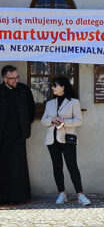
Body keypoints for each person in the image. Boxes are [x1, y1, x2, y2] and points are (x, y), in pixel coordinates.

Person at [41, 76, 91, 206]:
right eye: (52, 86)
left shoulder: (74, 102)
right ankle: (61, 193)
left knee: (72, 166)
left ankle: (80, 194)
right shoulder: (49, 103)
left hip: (67, 138)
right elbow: (43, 120)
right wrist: (52, 120)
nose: (52, 88)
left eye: (55, 85)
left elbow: (79, 120)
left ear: (63, 87)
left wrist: (64, 122)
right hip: (52, 139)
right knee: (57, 166)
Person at [0, 65, 35, 204]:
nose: (15, 80)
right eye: (12, 78)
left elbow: (31, 111)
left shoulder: (24, 90)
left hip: (19, 135)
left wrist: (25, 125)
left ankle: (20, 197)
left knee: (19, 167)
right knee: (3, 167)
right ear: (4, 79)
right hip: (2, 137)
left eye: (16, 77)